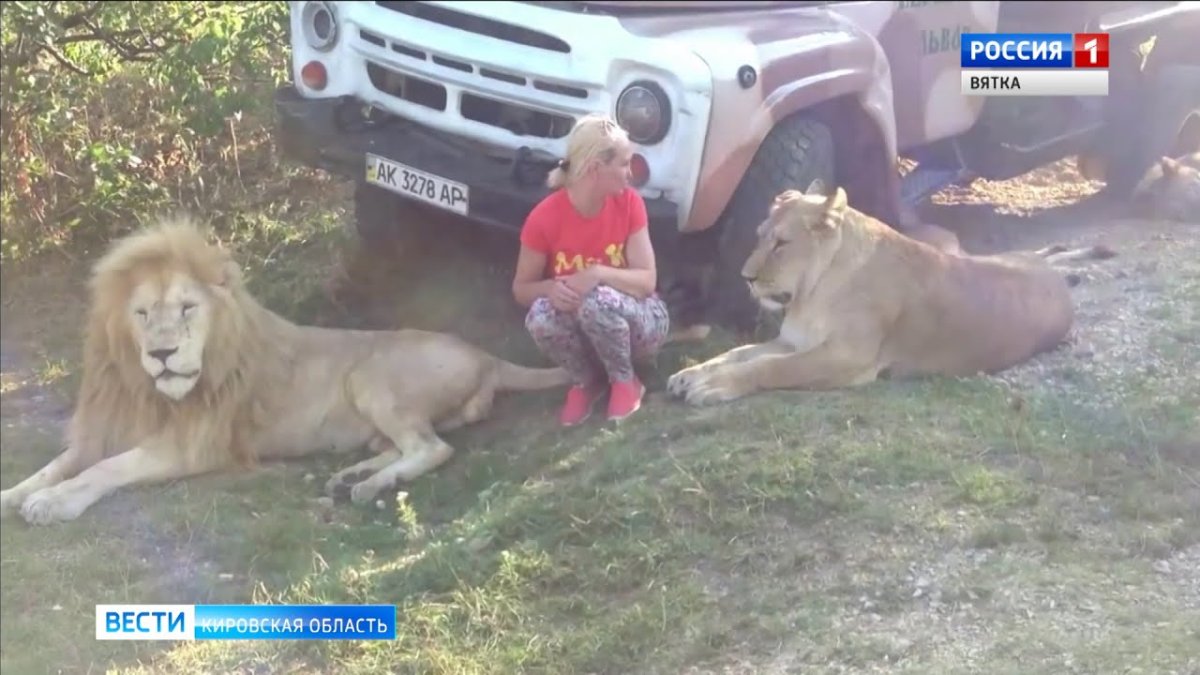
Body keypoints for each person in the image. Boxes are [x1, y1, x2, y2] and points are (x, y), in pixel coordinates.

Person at [512, 113, 670, 426]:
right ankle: (586, 381)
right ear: (597, 169)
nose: (630, 174)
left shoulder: (630, 204)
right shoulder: (543, 218)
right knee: (540, 317)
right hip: (585, 329)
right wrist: (550, 289)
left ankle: (625, 380)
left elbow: (647, 282)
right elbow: (521, 289)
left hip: (642, 320)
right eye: (624, 164)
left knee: (596, 301)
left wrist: (598, 274)